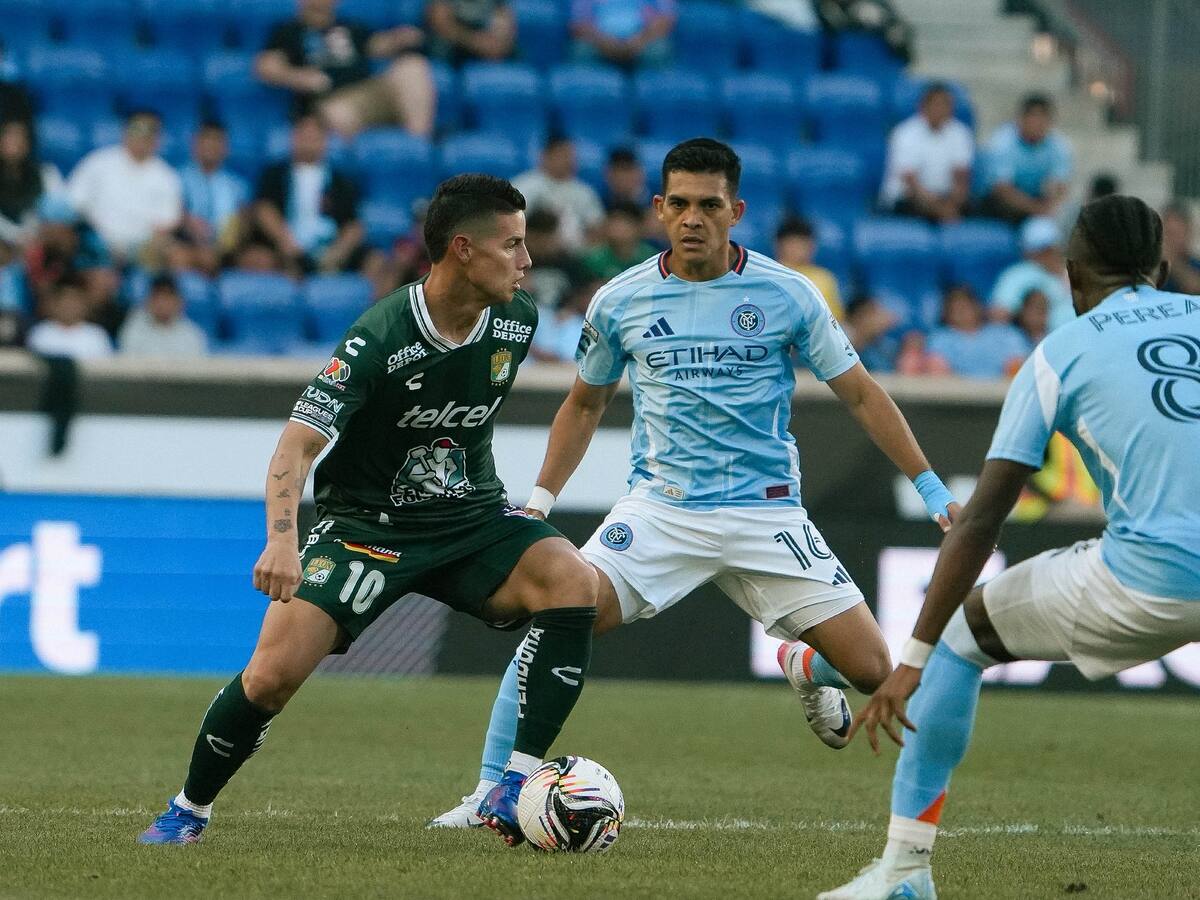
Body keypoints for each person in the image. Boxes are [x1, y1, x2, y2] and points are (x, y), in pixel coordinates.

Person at [428, 138, 959, 829]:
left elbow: (861, 393)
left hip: (766, 514)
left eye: (709, 205)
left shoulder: (788, 293)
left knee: (872, 669)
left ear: (736, 211)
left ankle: (805, 665)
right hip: (661, 510)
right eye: (679, 203)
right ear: (658, 208)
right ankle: (488, 792)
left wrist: (932, 489)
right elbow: (584, 406)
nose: (693, 219)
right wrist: (539, 502)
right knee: (564, 613)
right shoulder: (620, 300)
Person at [138, 174, 599, 847]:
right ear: (463, 249)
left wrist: (527, 507)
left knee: (573, 580)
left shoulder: (516, 319)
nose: (528, 261)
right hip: (365, 531)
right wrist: (282, 540)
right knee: (269, 679)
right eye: (512, 246)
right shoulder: (380, 335)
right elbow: (296, 446)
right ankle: (189, 809)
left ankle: (513, 783)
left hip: (470, 519)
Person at [820, 194, 1200, 900]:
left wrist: (912, 661)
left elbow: (980, 520)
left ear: (1072, 275)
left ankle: (904, 873)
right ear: (1163, 268)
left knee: (962, 634)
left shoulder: (1058, 355)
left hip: (1150, 580)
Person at [255, 0, 434, 138]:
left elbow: (377, 45)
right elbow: (266, 67)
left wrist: (399, 38)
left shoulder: (351, 26)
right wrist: (300, 77)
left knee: (413, 66)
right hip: (330, 101)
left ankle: (418, 145)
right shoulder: (289, 31)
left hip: (368, 92)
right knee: (338, 113)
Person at [65, 110, 182, 266]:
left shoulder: (166, 176)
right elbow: (74, 203)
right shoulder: (98, 162)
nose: (143, 136)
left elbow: (167, 222)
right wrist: (99, 239)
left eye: (150, 131)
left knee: (174, 254)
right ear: (125, 131)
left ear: (158, 138)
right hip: (96, 243)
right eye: (137, 129)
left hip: (142, 250)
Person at [252, 114, 364, 275]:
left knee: (375, 260)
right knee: (260, 258)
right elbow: (263, 210)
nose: (308, 143)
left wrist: (337, 252)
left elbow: (354, 224)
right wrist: (286, 243)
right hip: (286, 245)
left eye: (314, 138)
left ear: (324, 141)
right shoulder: (275, 174)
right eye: (304, 137)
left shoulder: (340, 181)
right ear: (293, 138)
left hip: (329, 247)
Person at [879, 83, 973, 223]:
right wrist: (939, 209)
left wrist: (953, 204)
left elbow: (961, 177)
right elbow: (910, 182)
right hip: (909, 198)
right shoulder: (905, 133)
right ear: (923, 106)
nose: (941, 109)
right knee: (916, 207)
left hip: (945, 198)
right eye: (937, 104)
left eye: (946, 104)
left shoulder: (961, 133)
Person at [980, 94, 1073, 223]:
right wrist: (1037, 210)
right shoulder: (1002, 143)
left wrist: (1052, 197)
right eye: (1034, 118)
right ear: (1021, 119)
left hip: (1038, 203)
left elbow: (1060, 185)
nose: (1039, 124)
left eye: (1043, 119)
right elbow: (1002, 189)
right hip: (1001, 206)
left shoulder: (1059, 145)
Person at [176, 122, 250, 274]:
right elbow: (173, 212)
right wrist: (188, 222)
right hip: (187, 242)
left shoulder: (237, 185)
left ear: (226, 148)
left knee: (258, 259)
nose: (211, 146)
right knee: (180, 257)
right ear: (194, 144)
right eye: (207, 140)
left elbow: (244, 222)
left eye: (217, 141)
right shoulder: (177, 178)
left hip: (227, 248)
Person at [513, 135, 605, 251]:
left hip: (576, 255)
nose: (568, 161)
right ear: (545, 156)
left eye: (571, 156)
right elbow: (511, 224)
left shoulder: (584, 192)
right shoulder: (525, 185)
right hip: (533, 251)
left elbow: (597, 228)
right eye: (562, 155)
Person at [924, 285, 1028, 378]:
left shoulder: (1007, 334)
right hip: (955, 392)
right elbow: (938, 373)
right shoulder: (940, 338)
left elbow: (1019, 368)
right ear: (946, 313)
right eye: (955, 308)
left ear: (978, 306)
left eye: (965, 306)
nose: (961, 312)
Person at [989, 216, 1073, 332]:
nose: (1046, 254)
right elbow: (998, 316)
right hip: (1041, 338)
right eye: (1040, 250)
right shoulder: (1018, 275)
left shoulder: (1077, 269)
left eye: (1049, 248)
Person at [0, 118, 64, 246]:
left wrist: (33, 236)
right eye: (9, 136)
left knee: (62, 236)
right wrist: (15, 236)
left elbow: (60, 212)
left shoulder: (46, 173)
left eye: (20, 137)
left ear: (29, 143)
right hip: (4, 241)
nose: (15, 142)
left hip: (38, 240)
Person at [117, 274, 208, 358]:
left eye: (167, 297)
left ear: (179, 302)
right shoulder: (133, 330)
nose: (162, 303)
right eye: (157, 297)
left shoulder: (192, 335)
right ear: (147, 301)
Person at [570, 0, 676, 68]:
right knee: (582, 49)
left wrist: (640, 40)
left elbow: (666, 19)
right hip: (599, 42)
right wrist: (605, 42)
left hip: (643, 42)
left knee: (658, 50)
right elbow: (578, 23)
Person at [26, 277, 113, 359]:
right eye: (65, 301)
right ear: (54, 304)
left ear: (84, 304)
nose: (69, 306)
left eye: (74, 301)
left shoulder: (97, 335)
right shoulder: (40, 333)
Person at [773, 217, 843, 319]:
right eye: (792, 244)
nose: (797, 250)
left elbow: (835, 319)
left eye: (802, 244)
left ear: (812, 246)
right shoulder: (768, 276)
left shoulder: (824, 279)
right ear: (778, 245)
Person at [581, 201, 656, 282]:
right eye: (613, 222)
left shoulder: (651, 257)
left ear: (637, 226)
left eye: (623, 223)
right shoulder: (594, 260)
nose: (616, 228)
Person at [425, 0, 516, 64]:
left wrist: (492, 44)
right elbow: (440, 23)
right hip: (451, 48)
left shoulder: (498, 3)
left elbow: (504, 28)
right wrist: (474, 41)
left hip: (486, 48)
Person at [1159, 202, 1200, 295]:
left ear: (1188, 233)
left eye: (1176, 233)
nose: (1170, 239)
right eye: (1167, 233)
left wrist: (1171, 259)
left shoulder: (1196, 265)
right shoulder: (1152, 266)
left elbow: (1194, 287)